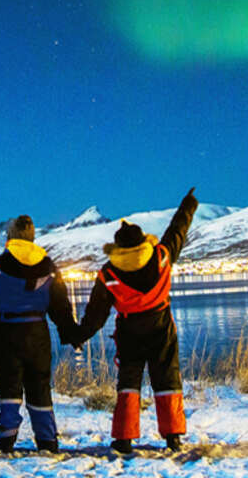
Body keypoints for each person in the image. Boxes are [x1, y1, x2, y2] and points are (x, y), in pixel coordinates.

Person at [75, 188, 199, 454]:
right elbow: (177, 231)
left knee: (128, 383)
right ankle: (173, 435)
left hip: (130, 330)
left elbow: (96, 314)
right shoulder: (162, 256)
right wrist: (187, 206)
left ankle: (123, 438)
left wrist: (78, 335)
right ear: (143, 241)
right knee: (167, 378)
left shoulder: (108, 272)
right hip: (161, 326)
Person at [0, 214, 79, 453]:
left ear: (10, 237)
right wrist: (71, 332)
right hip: (38, 333)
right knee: (40, 387)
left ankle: (6, 439)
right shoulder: (49, 267)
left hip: (6, 334)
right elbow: (60, 306)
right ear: (32, 237)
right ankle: (47, 440)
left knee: (9, 389)